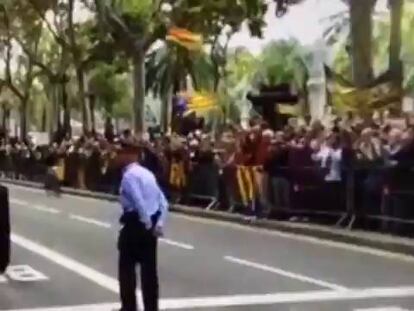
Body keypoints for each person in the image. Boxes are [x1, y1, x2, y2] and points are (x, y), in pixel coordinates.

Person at [118, 143, 169, 311]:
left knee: (126, 268)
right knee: (149, 273)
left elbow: (138, 200)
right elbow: (163, 201)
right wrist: (158, 223)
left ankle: (129, 307)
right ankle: (151, 307)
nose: (119, 157)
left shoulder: (129, 176)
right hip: (151, 224)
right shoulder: (148, 174)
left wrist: (145, 222)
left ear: (130, 155)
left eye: (121, 153)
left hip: (135, 223)